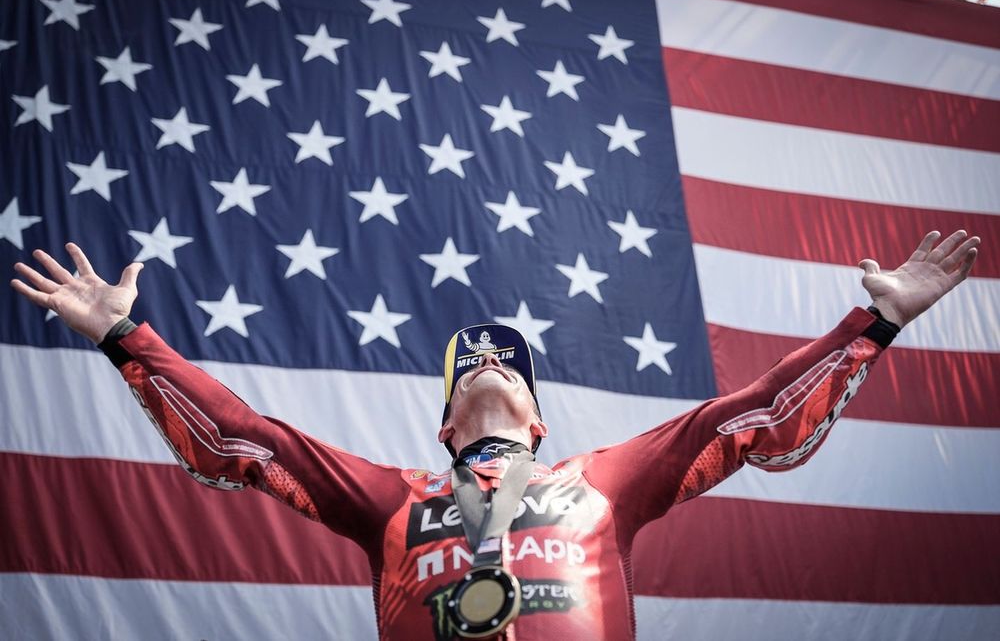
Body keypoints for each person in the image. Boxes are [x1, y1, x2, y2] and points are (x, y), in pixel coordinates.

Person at [10, 230, 980, 640]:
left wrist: (877, 322)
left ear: (539, 421)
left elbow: (750, 419)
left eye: (507, 363)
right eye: (468, 363)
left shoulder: (603, 482)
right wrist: (127, 338)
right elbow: (245, 441)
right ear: (444, 425)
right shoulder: (391, 498)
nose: (487, 363)